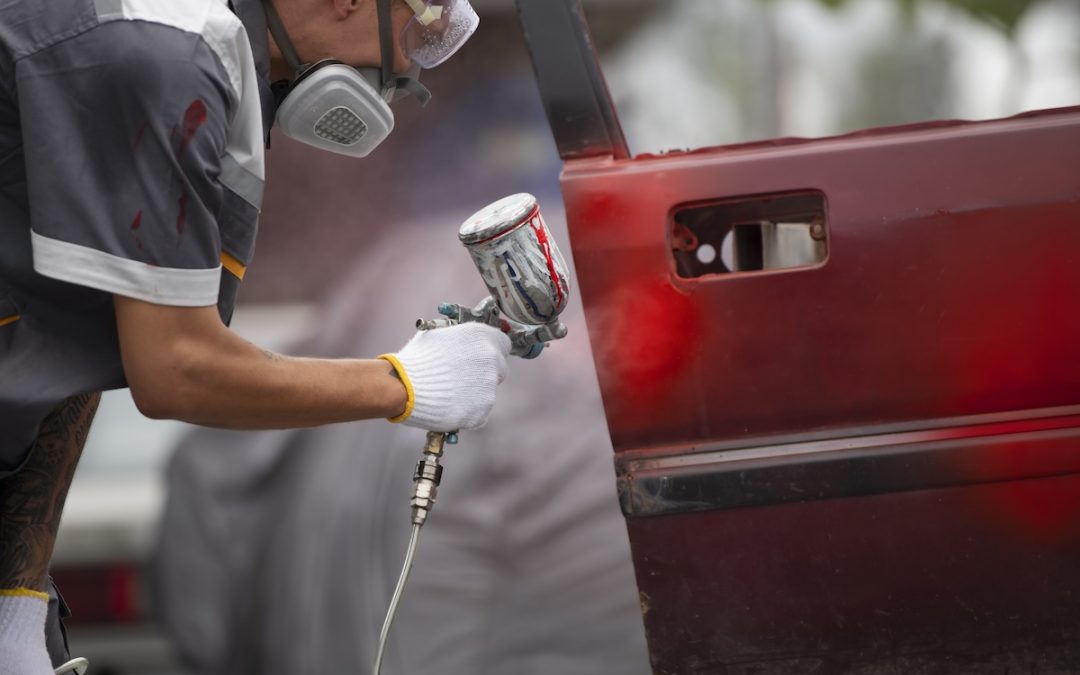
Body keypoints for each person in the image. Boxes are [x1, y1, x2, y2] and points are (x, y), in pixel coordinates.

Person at [0, 1, 507, 673]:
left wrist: (18, 601)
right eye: (409, 42)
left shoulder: (188, 50)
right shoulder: (170, 53)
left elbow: (77, 340)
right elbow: (174, 367)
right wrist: (404, 383)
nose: (401, 75)